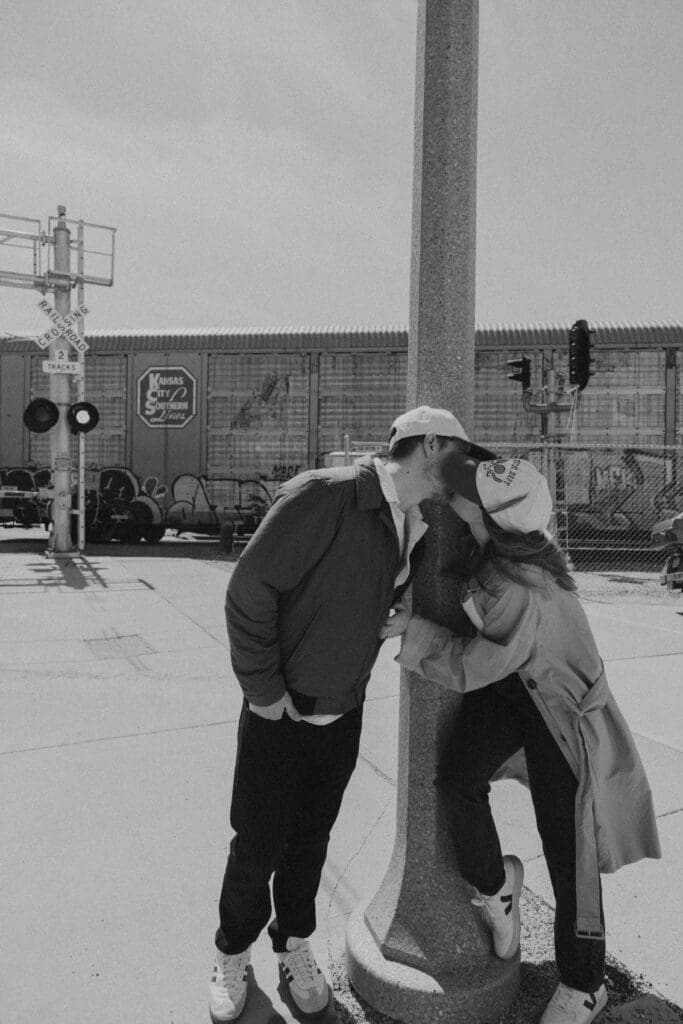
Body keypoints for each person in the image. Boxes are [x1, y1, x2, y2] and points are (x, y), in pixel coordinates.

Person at [208, 406, 496, 1023]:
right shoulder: (328, 495)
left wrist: (392, 609)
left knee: (310, 840)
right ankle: (233, 952)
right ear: (432, 445)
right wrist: (262, 690)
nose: (466, 471)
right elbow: (249, 589)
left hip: (341, 711)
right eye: (462, 457)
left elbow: (358, 584)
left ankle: (293, 944)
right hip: (280, 710)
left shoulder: (411, 518)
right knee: (257, 843)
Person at [389, 456, 661, 1024]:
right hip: (519, 686)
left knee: (570, 854)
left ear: (493, 519)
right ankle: (497, 887)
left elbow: (471, 665)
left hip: (560, 716)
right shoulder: (512, 545)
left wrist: (413, 632)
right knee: (458, 777)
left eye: (467, 493)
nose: (454, 494)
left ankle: (585, 983)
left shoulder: (517, 585)